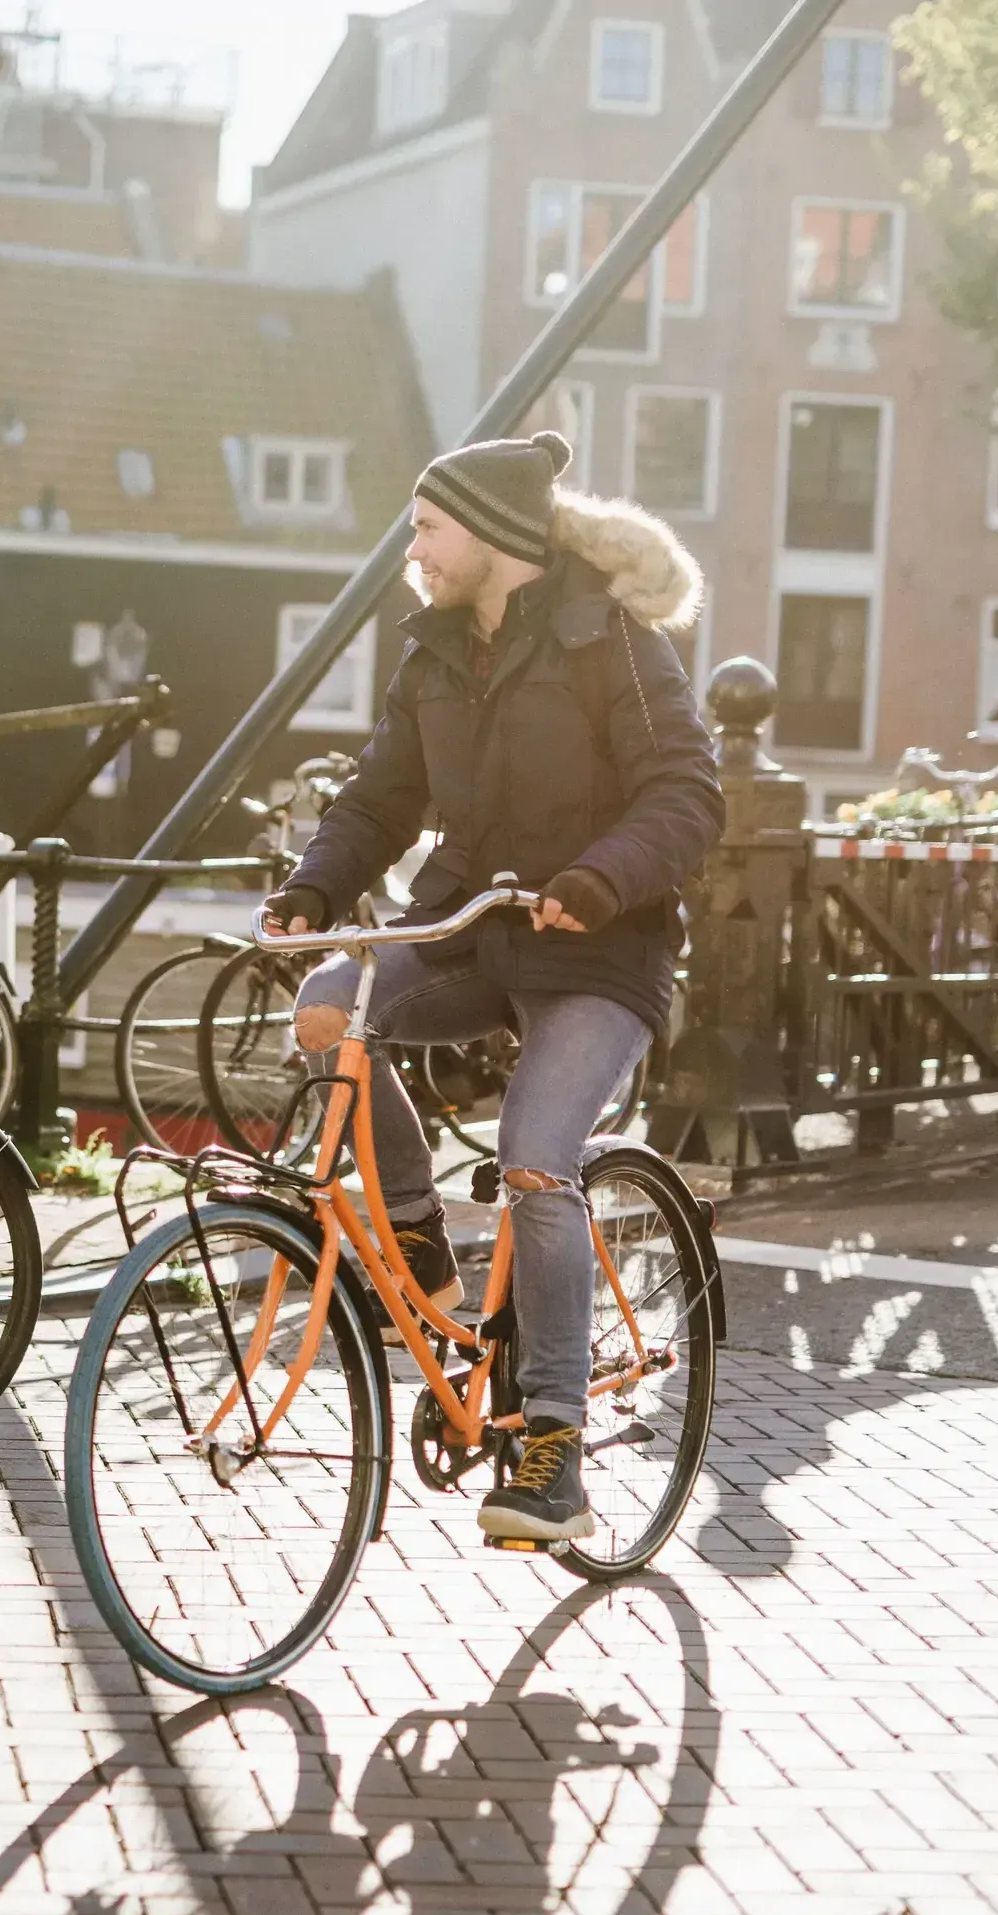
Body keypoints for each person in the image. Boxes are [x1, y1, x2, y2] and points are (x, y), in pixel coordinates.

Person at [261, 430, 723, 1545]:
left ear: (495, 538)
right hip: (470, 927)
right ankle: (416, 1233)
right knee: (328, 1008)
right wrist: (315, 891)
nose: (411, 549)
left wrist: (600, 879)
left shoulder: (612, 645)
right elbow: (379, 799)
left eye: (427, 528)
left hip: (600, 951)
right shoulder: (433, 655)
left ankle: (553, 1436)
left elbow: (689, 794)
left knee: (533, 1155)